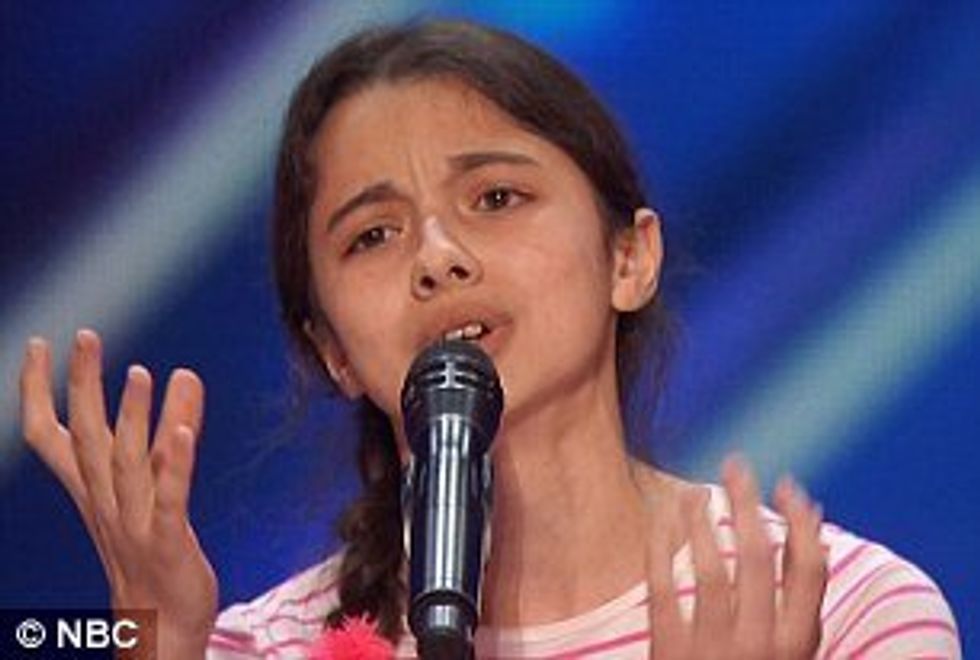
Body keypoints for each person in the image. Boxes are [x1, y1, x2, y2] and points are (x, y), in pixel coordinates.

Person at [19, 19, 960, 659]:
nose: (438, 257)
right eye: (373, 235)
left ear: (630, 258)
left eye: (496, 197)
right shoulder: (260, 648)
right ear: (331, 350)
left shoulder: (832, 614)